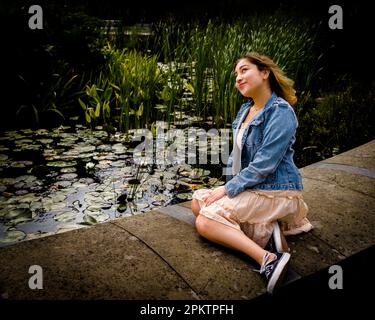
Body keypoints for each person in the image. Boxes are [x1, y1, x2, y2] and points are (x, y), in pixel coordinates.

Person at [191, 52, 313, 294]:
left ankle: (268, 258)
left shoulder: (281, 111)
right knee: (198, 201)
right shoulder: (246, 110)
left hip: (277, 191)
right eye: (236, 73)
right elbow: (237, 160)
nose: (238, 78)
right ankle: (266, 231)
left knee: (205, 222)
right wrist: (224, 191)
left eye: (244, 70)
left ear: (265, 73)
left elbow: (264, 164)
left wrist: (227, 190)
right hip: (256, 187)